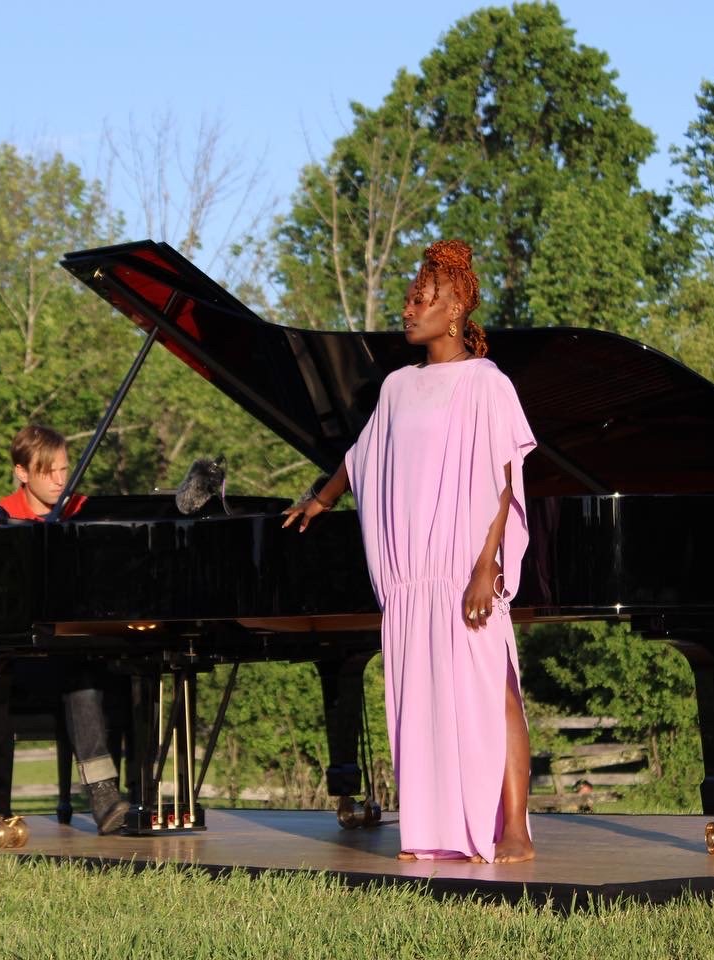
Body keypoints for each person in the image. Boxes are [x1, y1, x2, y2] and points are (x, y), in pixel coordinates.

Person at [283, 240, 537, 863]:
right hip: (410, 581)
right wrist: (322, 499)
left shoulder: (486, 382)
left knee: (493, 690)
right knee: (425, 703)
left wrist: (486, 567)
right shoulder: (397, 386)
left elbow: (505, 482)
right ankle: (437, 829)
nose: (407, 308)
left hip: (464, 568)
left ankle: (514, 828)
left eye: (420, 298)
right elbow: (361, 455)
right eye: (409, 297)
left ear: (453, 310)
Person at [0, 424, 130, 835]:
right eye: (49, 471)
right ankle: (102, 793)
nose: (61, 480)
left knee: (134, 672)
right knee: (80, 678)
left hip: (87, 646)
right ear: (22, 473)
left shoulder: (86, 511)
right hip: (27, 659)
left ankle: (146, 798)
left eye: (65, 469)